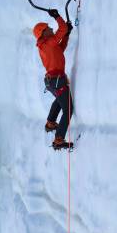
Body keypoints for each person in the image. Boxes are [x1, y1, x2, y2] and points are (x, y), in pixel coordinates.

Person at [33, 9, 74, 150]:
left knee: (59, 100)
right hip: (57, 80)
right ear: (43, 32)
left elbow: (61, 48)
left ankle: (51, 123)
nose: (51, 28)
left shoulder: (46, 45)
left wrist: (67, 34)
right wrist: (57, 17)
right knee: (68, 109)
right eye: (48, 27)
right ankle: (59, 139)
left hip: (53, 82)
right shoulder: (48, 42)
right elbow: (61, 29)